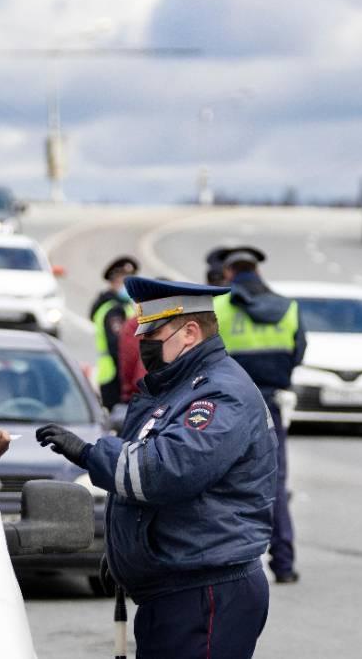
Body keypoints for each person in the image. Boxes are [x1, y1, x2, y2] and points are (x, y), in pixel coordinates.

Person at [37, 277, 277, 658]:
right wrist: (123, 549)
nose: (141, 342)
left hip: (205, 590)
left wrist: (88, 453)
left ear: (190, 333)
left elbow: (165, 471)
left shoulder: (219, 393)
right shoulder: (178, 388)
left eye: (152, 332)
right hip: (175, 589)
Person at [214, 246, 306, 584]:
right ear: (258, 270)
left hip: (229, 405)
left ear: (228, 274)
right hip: (271, 403)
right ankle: (284, 563)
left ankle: (232, 562)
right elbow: (298, 353)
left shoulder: (219, 307)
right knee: (275, 482)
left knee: (223, 482)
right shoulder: (289, 308)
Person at [90, 256, 139, 411]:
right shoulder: (114, 310)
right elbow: (118, 346)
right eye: (124, 281)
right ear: (113, 281)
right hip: (114, 374)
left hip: (114, 373)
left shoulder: (122, 305)